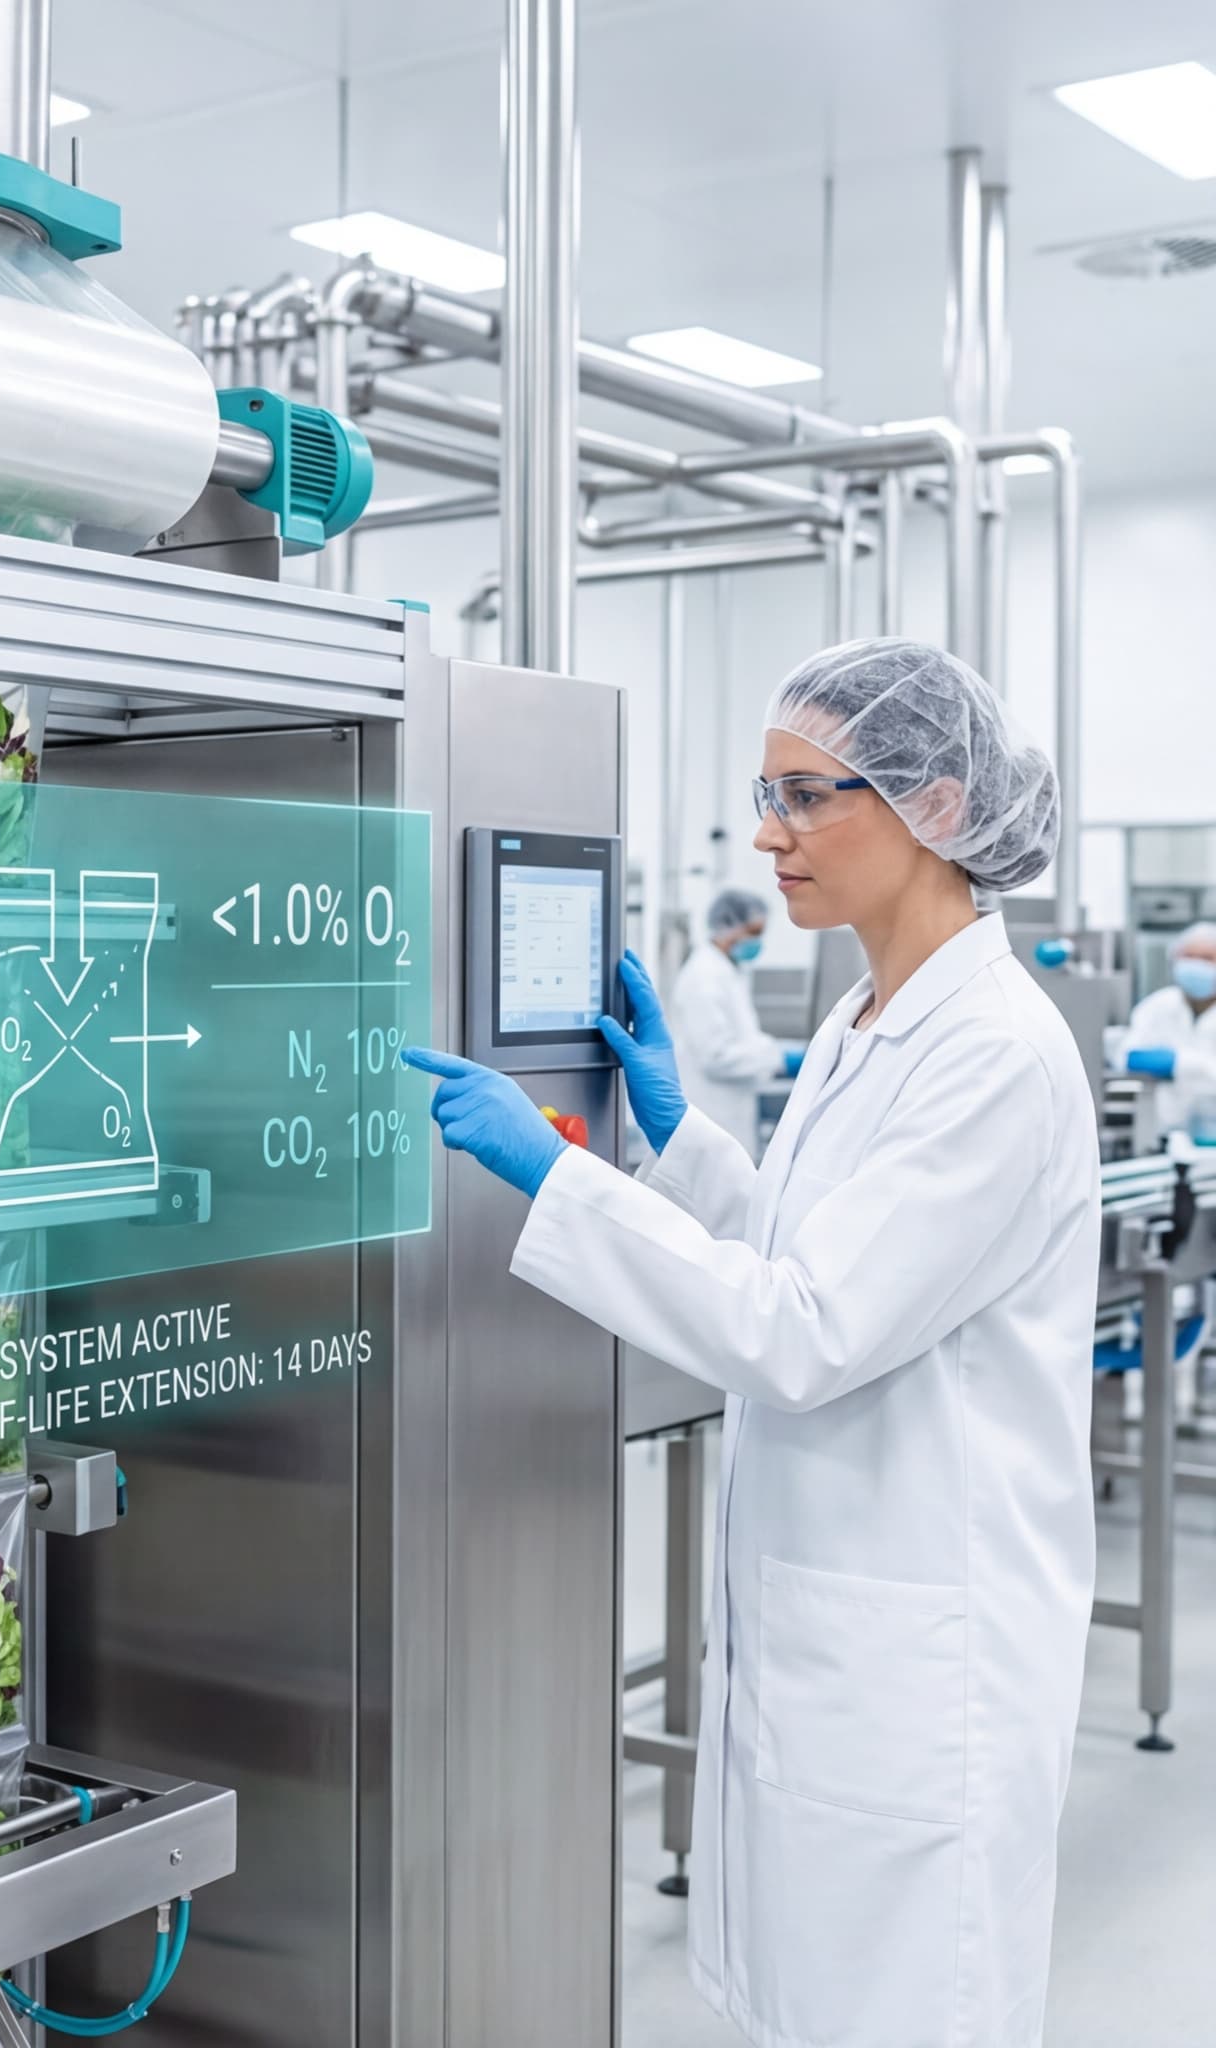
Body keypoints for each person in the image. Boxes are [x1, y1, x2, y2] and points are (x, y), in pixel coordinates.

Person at [406, 639, 1099, 2048]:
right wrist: (680, 1143)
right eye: (762, 797)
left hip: (926, 1665)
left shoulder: (992, 1053)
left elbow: (802, 1329)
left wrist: (558, 1177)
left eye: (803, 796)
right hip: (838, 1629)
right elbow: (801, 1253)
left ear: (935, 804)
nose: (769, 837)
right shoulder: (864, 1018)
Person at [669, 885, 802, 1158]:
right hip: (711, 1113)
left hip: (729, 1112)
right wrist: (780, 1060)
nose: (758, 942)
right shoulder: (704, 977)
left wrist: (780, 1050)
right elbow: (717, 1056)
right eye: (753, 932)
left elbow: (744, 1039)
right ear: (728, 927)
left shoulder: (728, 971)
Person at [1120, 922, 1216, 1136]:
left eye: (1206, 959)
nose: (1196, 966)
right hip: (1163, 1134)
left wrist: (1180, 1062)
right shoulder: (1158, 1006)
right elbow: (1127, 1057)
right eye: (1189, 957)